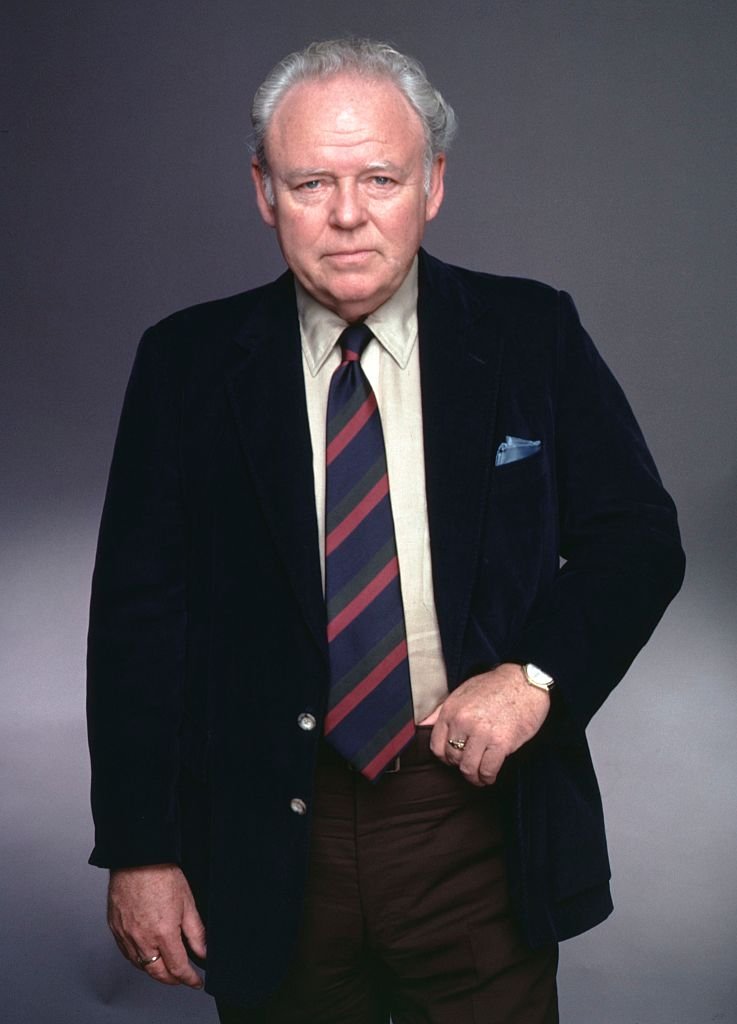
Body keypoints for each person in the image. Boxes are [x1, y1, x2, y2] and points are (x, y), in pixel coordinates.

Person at [87, 37, 685, 1023]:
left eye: (380, 176)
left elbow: (635, 539)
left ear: (433, 184)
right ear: (262, 191)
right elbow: (138, 623)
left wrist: (535, 675)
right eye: (310, 181)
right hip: (268, 827)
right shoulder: (186, 366)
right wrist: (140, 848)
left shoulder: (529, 331)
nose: (348, 213)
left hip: (468, 816)